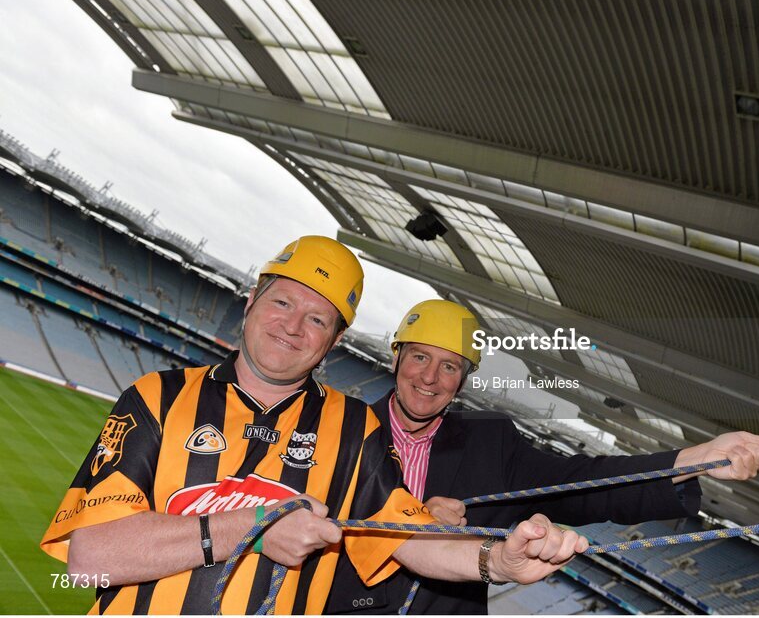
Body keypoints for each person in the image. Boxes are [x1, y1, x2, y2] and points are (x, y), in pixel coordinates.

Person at [40, 236, 587, 615]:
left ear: (334, 342)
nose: (294, 327)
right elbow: (90, 559)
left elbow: (408, 540)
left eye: (319, 318)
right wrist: (250, 530)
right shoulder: (155, 396)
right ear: (251, 302)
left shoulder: (353, 427)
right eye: (282, 302)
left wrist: (497, 561)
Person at [328, 299, 759, 614]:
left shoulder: (493, 443)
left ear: (463, 380)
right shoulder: (340, 428)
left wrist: (694, 458)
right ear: (395, 359)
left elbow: (586, 483)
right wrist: (415, 524)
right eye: (420, 358)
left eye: (449, 366)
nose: (430, 378)